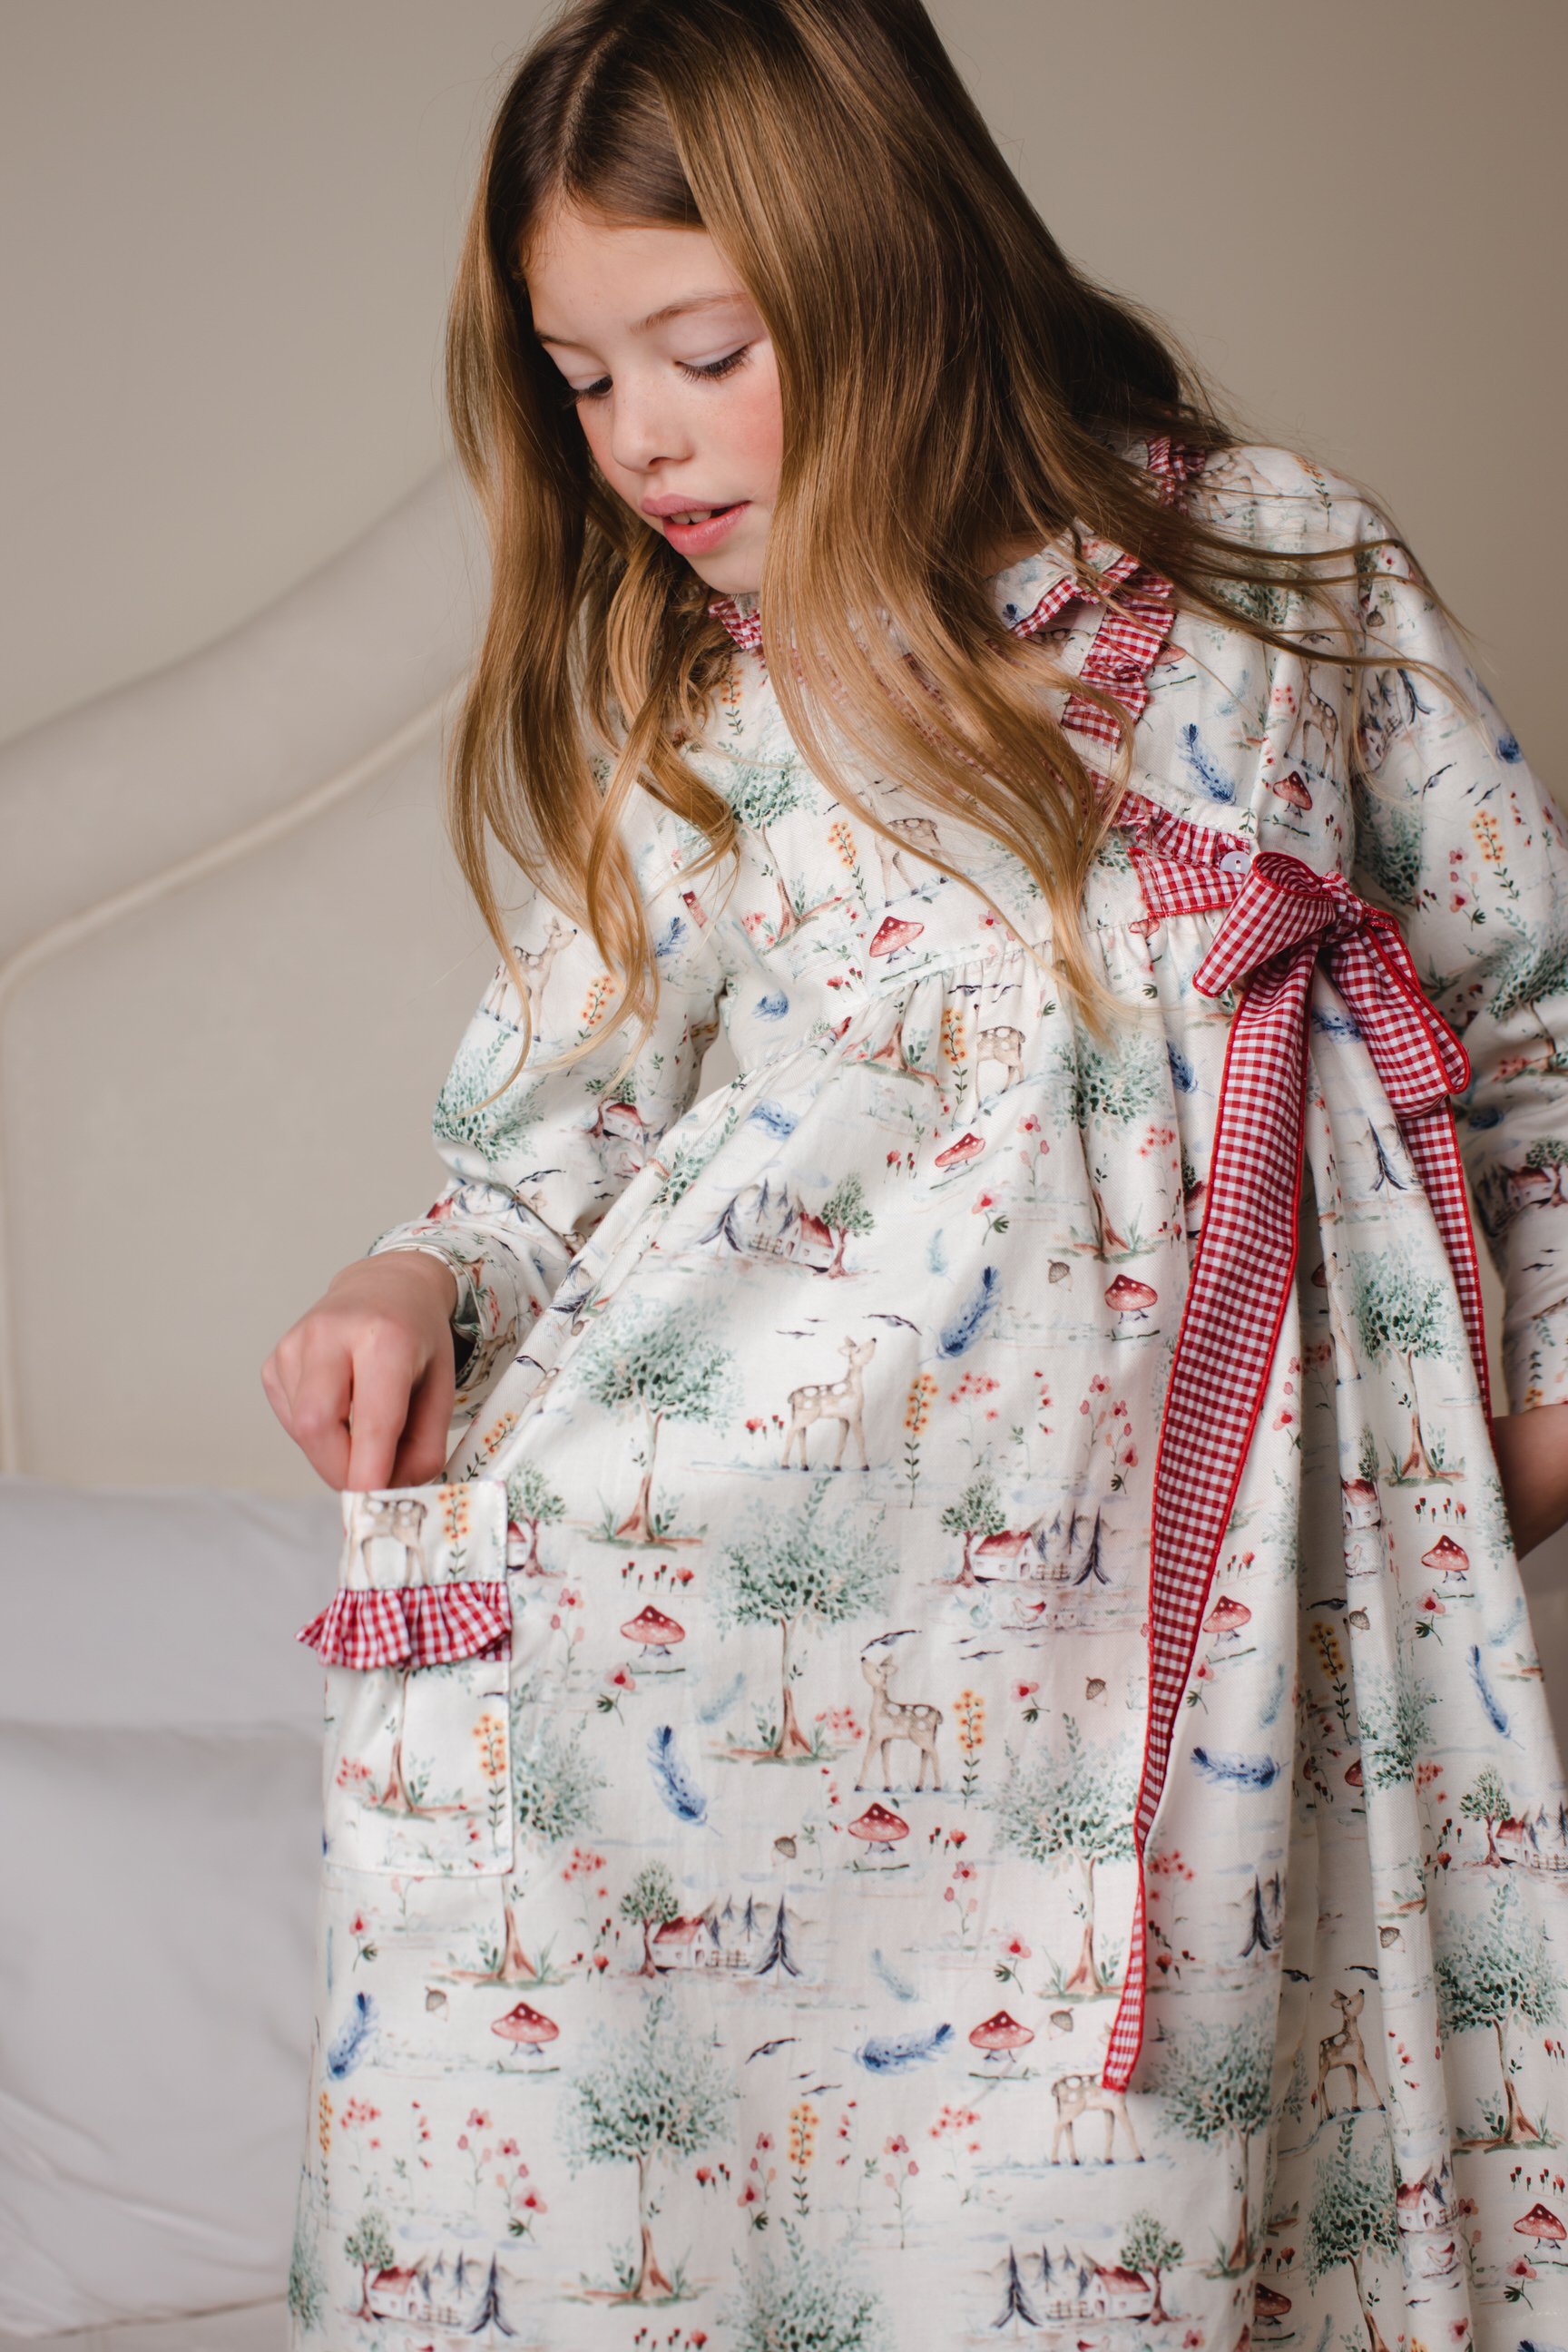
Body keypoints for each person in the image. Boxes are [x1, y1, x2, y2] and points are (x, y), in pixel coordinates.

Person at [264, 3, 1568, 2343]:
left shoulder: (1270, 580)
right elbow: (545, 1142)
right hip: (775, 1622)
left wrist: (1535, 1417)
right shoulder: (698, 701)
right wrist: (413, 1273)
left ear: (895, 263)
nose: (640, 438)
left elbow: (1521, 1030)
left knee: (1150, 2233)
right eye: (580, 378)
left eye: (704, 347)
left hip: (1197, 1696)